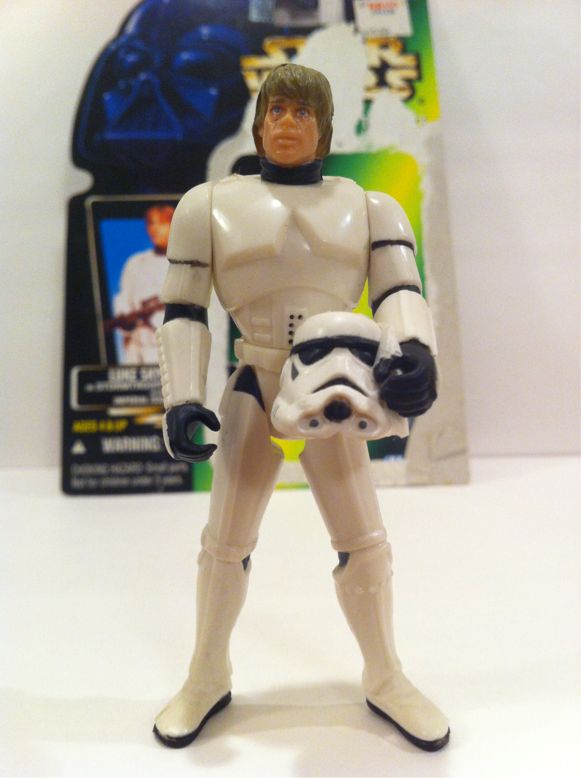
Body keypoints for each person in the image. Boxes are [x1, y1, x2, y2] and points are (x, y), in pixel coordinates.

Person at [154, 63, 448, 751]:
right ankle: (206, 673)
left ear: (325, 127)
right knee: (224, 546)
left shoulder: (370, 207)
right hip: (256, 381)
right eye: (276, 110)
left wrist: (415, 353)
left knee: (364, 545)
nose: (287, 123)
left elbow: (400, 292)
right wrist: (182, 398)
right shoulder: (207, 206)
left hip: (336, 381)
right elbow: (183, 309)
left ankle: (385, 675)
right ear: (258, 124)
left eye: (302, 112)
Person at [112, 205, 174, 364]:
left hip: (171, 348)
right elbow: (123, 298)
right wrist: (127, 319)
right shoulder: (135, 262)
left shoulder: (187, 264)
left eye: (162, 223)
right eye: (151, 223)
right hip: (138, 346)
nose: (155, 229)